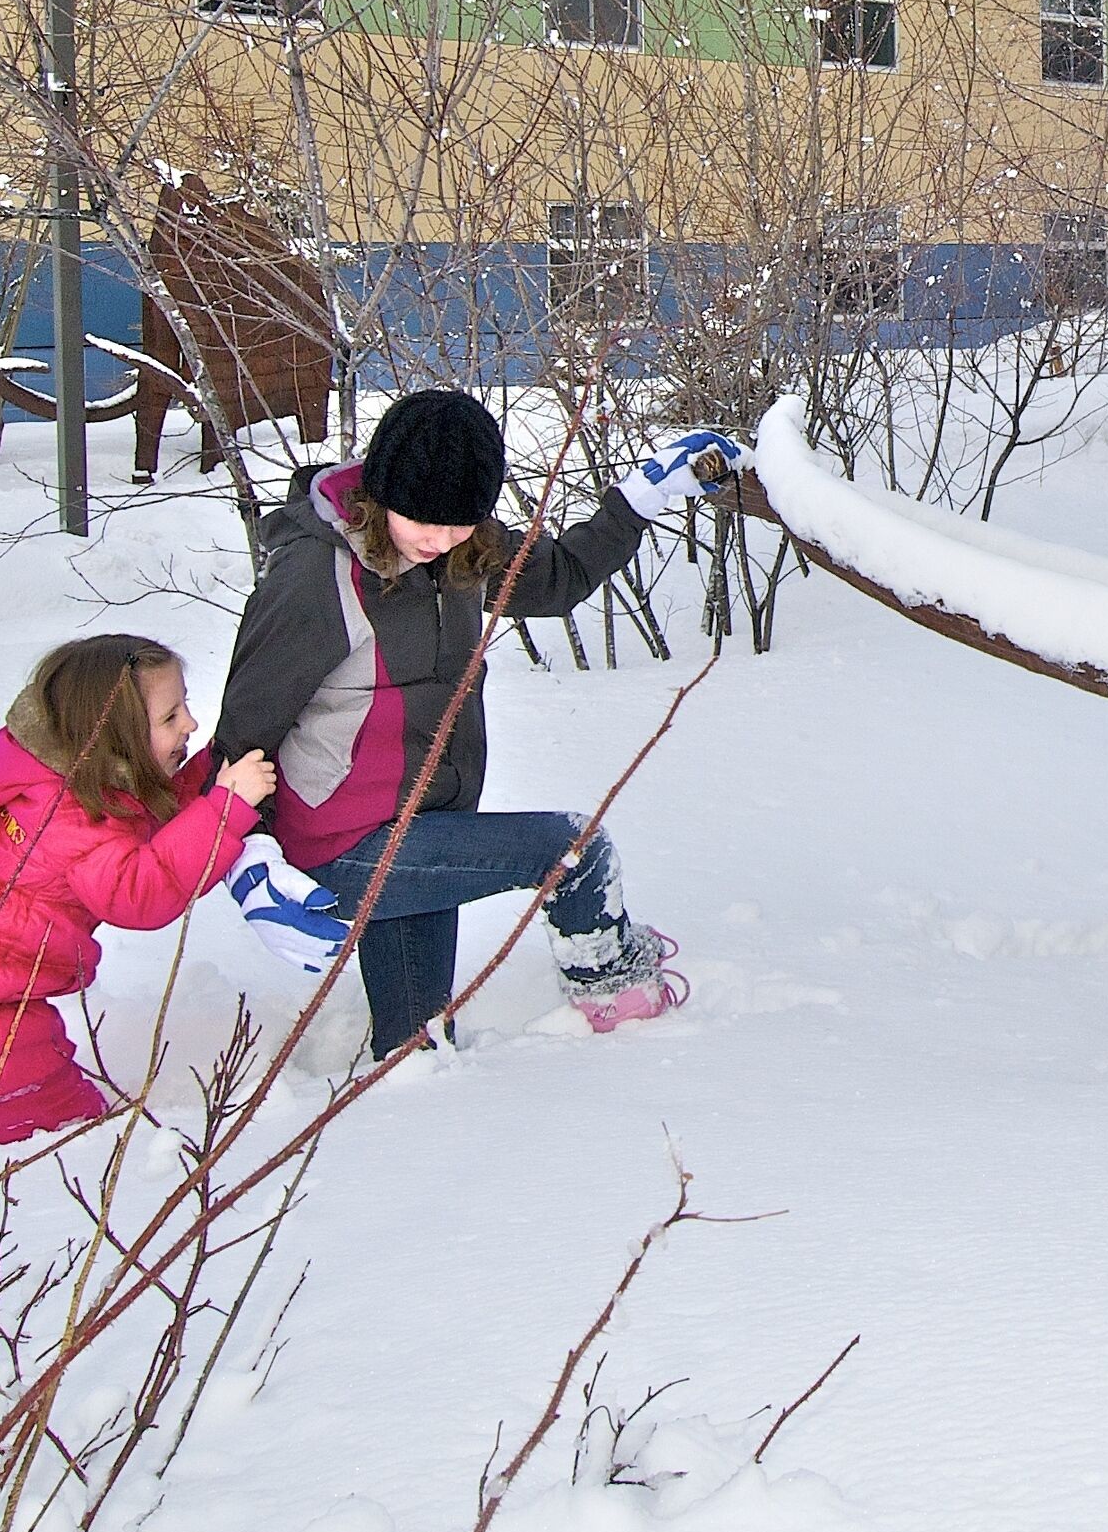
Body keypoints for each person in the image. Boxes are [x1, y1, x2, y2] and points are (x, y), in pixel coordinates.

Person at [213, 390, 730, 1054]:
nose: (440, 540)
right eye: (422, 521)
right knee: (572, 850)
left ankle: (418, 1126)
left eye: (459, 524)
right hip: (340, 845)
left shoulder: (459, 552)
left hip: (423, 826)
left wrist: (637, 501)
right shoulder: (316, 577)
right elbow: (244, 727)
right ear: (380, 495)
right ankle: (625, 1007)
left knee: (413, 1050)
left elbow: (561, 577)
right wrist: (245, 859)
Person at [0, 634, 270, 1152]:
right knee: (80, 1143)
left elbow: (136, 814)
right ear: (116, 741)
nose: (190, 724)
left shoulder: (40, 780)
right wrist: (225, 809)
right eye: (170, 718)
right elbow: (142, 889)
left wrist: (207, 778)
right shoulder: (77, 822)